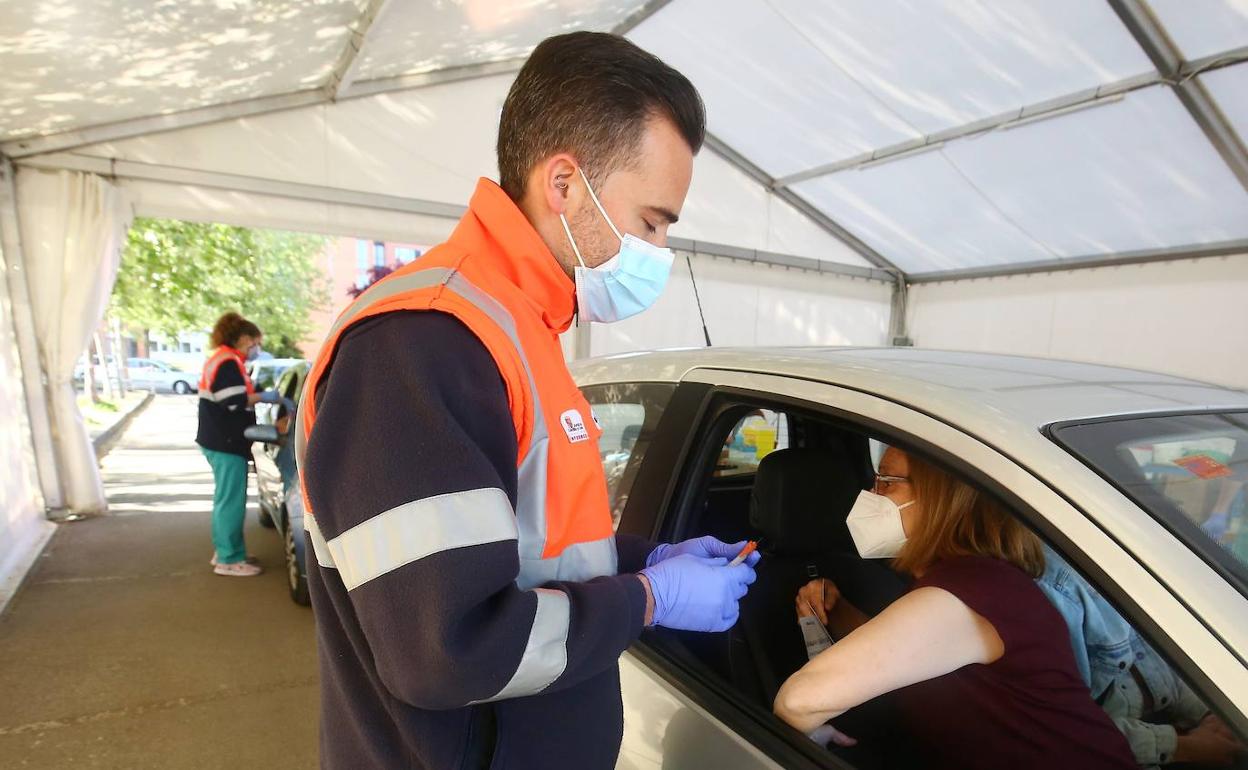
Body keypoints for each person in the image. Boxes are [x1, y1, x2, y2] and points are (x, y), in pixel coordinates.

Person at [295, 32, 758, 770]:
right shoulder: (422, 342)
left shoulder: (520, 329)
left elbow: (521, 549)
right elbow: (446, 648)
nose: (659, 250)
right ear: (564, 183)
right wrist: (648, 598)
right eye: (651, 222)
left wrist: (648, 557)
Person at [775, 446, 1135, 769]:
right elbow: (927, 659)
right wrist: (839, 614)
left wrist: (812, 738)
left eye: (887, 481)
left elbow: (799, 701)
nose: (871, 495)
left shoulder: (973, 590)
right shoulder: (970, 580)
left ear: (941, 500)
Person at [1037, 546, 1244, 767]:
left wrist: (1210, 715)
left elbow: (1150, 657)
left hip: (1166, 727)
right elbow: (1070, 729)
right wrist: (1183, 747)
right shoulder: (1054, 585)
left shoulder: (1116, 550)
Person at [196, 311, 282, 577]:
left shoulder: (224, 359)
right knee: (231, 501)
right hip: (225, 441)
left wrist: (261, 394)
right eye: (256, 342)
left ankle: (226, 550)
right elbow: (233, 402)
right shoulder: (227, 362)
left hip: (219, 439)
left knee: (225, 499)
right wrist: (265, 397)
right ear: (245, 339)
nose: (257, 347)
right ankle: (229, 560)